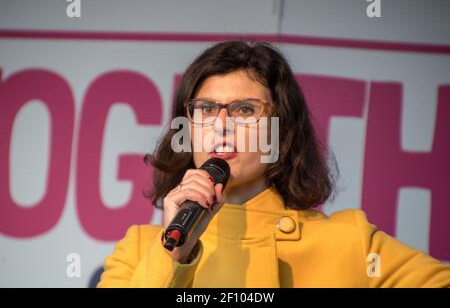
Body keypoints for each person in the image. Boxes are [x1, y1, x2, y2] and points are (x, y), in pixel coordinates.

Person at [97, 40, 450, 287]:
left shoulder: (347, 243)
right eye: (205, 110)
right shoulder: (143, 248)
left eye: (245, 110)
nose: (222, 124)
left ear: (281, 133)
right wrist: (173, 256)